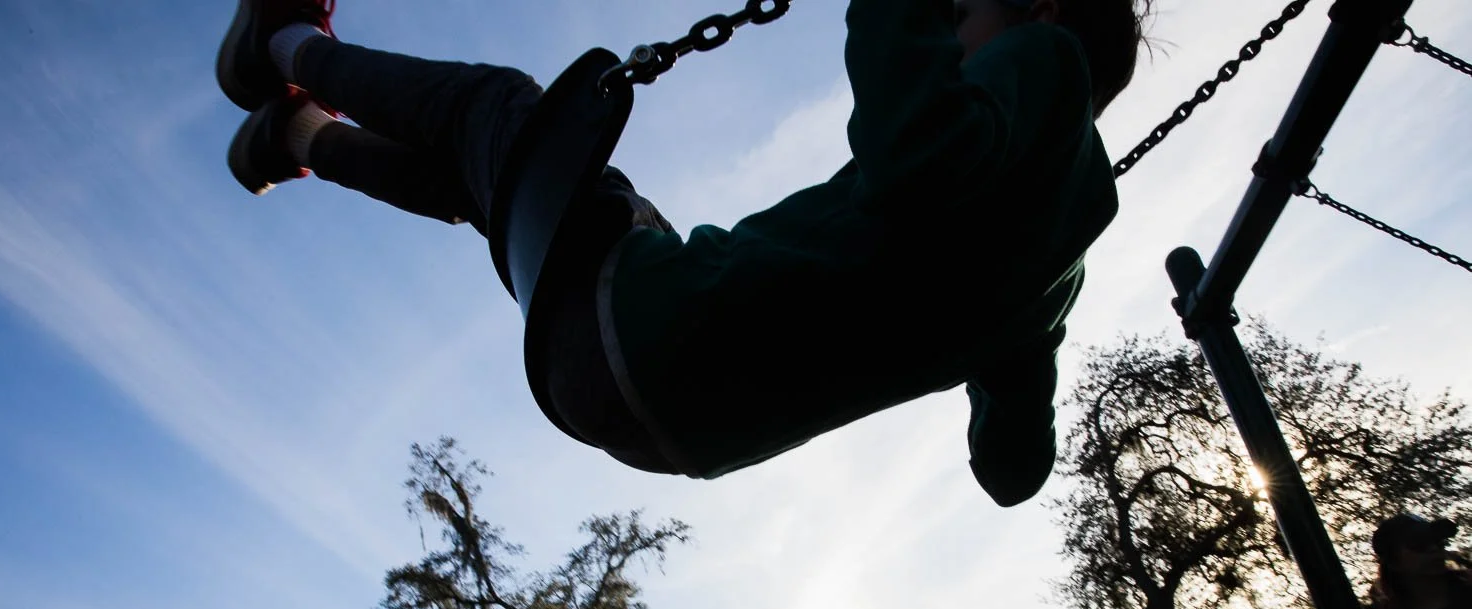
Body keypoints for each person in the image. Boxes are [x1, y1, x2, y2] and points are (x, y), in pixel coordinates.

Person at [214, 0, 1150, 503]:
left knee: (496, 111)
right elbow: (1012, 472)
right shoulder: (1047, 292)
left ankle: (283, 43)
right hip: (653, 417)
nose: (947, 33)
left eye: (959, 12)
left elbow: (916, 150)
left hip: (656, 322)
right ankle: (295, 138)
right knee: (505, 185)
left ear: (1041, 8)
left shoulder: (1044, 61)